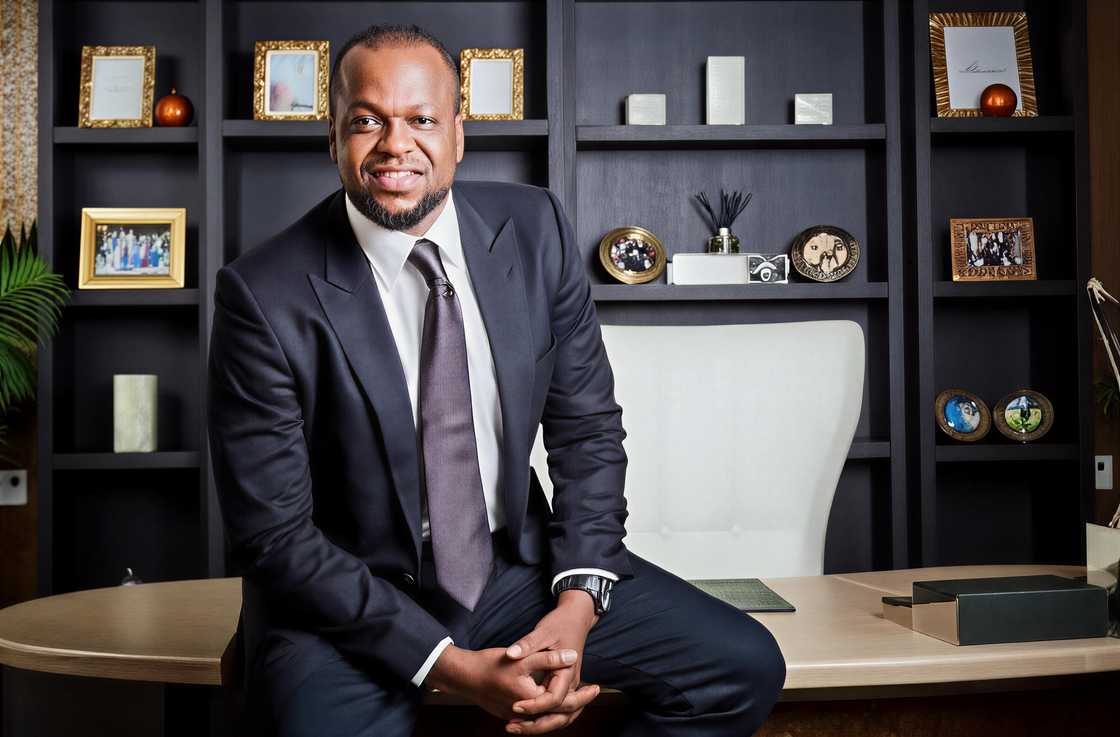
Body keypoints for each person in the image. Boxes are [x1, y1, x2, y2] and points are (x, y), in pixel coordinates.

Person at [207, 23, 786, 737]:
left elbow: (587, 432)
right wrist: (454, 667)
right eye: (367, 121)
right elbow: (276, 537)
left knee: (740, 667)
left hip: (509, 569)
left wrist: (574, 609)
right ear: (334, 137)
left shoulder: (535, 227)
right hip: (343, 600)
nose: (396, 144)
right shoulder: (262, 293)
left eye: (421, 119)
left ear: (458, 133)